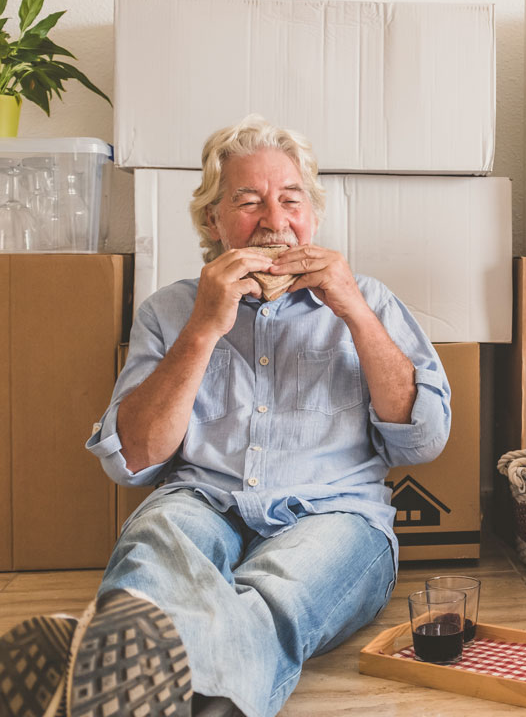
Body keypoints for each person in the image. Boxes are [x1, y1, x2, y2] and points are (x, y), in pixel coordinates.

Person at [0, 115, 452, 717]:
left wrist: (354, 312)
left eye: (291, 200)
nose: (274, 221)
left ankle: (100, 691)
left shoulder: (368, 299)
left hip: (337, 515)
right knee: (155, 548)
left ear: (311, 215)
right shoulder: (170, 311)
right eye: (248, 202)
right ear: (211, 220)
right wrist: (207, 325)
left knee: (271, 598)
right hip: (202, 502)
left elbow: (424, 438)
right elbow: (133, 460)